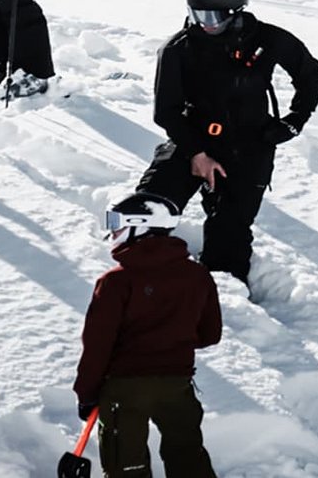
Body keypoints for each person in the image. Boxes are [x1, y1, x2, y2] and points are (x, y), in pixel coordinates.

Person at [136, 0, 318, 284]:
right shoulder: (176, 49)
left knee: (229, 236)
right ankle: (146, 281)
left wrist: (294, 121)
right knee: (148, 206)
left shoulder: (268, 39)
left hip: (249, 146)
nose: (204, 24)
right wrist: (196, 153)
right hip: (190, 139)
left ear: (236, 13)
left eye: (213, 16)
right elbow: (166, 112)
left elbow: (310, 76)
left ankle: (223, 300)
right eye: (197, 15)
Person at [74, 192, 222, 478]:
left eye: (116, 223)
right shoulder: (197, 276)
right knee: (188, 458)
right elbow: (209, 334)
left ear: (141, 224)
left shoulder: (116, 282)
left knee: (127, 466)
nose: (112, 232)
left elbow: (97, 345)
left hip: (123, 388)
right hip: (177, 385)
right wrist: (171, 341)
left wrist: (87, 392)